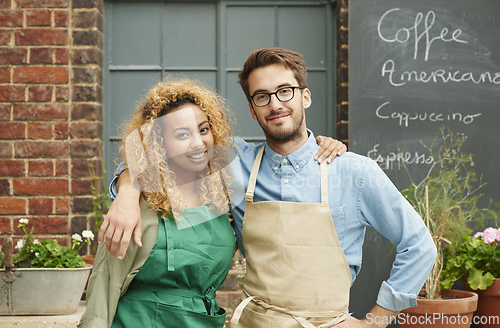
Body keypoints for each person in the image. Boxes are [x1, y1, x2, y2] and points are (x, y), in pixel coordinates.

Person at [101, 48, 436, 328]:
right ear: (252, 108)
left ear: (304, 96)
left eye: (285, 91)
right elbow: (154, 146)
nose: (275, 104)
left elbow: (419, 245)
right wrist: (128, 193)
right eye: (262, 96)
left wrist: (373, 322)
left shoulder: (354, 172)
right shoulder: (232, 161)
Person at [79, 79, 239, 327]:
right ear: (158, 144)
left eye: (204, 129)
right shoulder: (136, 205)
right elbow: (104, 284)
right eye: (182, 134)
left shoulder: (223, 199)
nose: (198, 142)